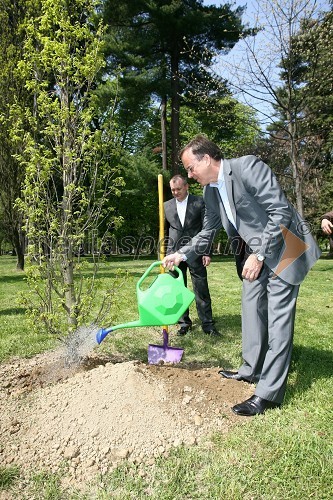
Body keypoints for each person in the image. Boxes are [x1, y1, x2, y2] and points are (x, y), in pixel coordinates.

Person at [163, 135, 321, 417]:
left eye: (190, 168)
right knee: (250, 307)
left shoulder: (248, 167)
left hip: (285, 246)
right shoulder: (212, 192)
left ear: (206, 160)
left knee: (277, 319)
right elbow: (207, 232)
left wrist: (258, 254)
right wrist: (182, 254)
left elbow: (280, 210)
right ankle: (250, 369)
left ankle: (269, 393)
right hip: (258, 253)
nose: (188, 175)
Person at [164, 174, 220, 336]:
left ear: (186, 186)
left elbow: (206, 229)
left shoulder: (199, 202)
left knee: (201, 289)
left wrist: (206, 252)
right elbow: (165, 232)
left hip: (195, 252)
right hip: (173, 254)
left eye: (178, 189)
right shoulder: (166, 206)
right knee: (178, 290)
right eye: (173, 190)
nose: (175, 192)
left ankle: (208, 324)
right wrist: (167, 253)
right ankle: (184, 323)